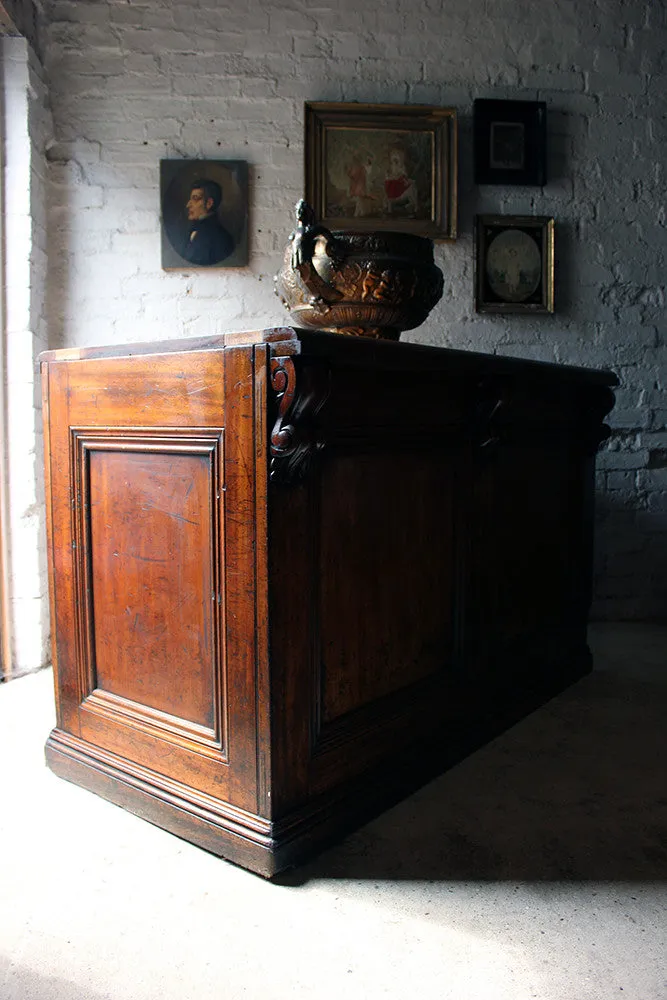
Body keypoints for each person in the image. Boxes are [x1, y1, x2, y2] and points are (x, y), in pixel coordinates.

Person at [181, 179, 234, 265]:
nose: (188, 205)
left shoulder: (221, 237)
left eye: (195, 198)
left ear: (209, 203)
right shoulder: (194, 230)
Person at [383, 144, 418, 217]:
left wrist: (406, 180)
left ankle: (413, 206)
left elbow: (403, 179)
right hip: (394, 191)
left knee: (412, 186)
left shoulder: (399, 168)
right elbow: (394, 179)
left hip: (396, 188)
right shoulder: (393, 169)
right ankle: (415, 206)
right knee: (412, 187)